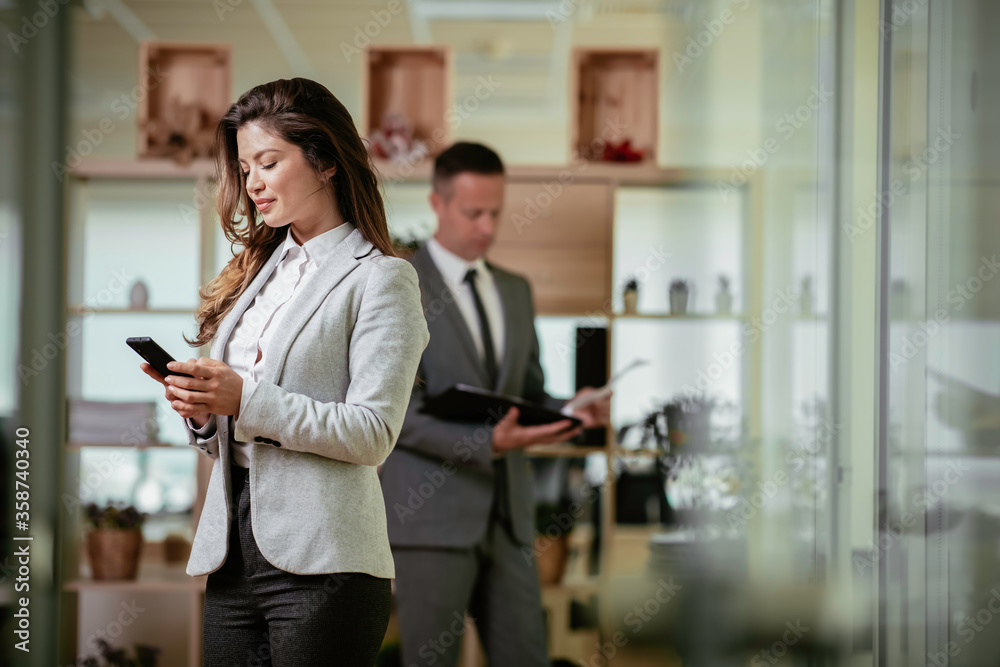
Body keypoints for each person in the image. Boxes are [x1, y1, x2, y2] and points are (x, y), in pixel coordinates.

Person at [138, 78, 429, 666]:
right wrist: (202, 412)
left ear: (324, 162)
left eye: (268, 162)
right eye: (245, 168)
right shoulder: (255, 275)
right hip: (232, 553)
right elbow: (237, 431)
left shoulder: (382, 280)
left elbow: (372, 433)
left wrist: (245, 398)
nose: (252, 183)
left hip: (327, 563)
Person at [380, 141, 612, 666]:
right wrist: (487, 442)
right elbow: (391, 412)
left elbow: (526, 393)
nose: (487, 226)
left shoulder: (515, 290)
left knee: (526, 656)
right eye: (473, 213)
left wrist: (569, 408)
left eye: (495, 213)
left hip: (509, 518)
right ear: (437, 205)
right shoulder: (397, 286)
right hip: (431, 519)